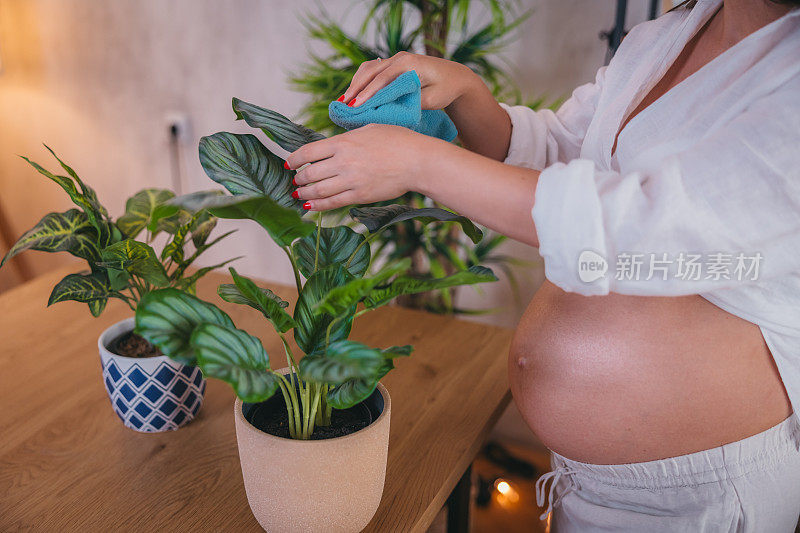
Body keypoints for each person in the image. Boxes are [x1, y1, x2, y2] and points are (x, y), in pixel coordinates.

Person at [285, 0, 800, 530]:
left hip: (697, 498)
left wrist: (419, 162)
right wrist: (466, 93)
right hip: (585, 481)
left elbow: (648, 230)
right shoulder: (671, 34)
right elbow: (570, 155)